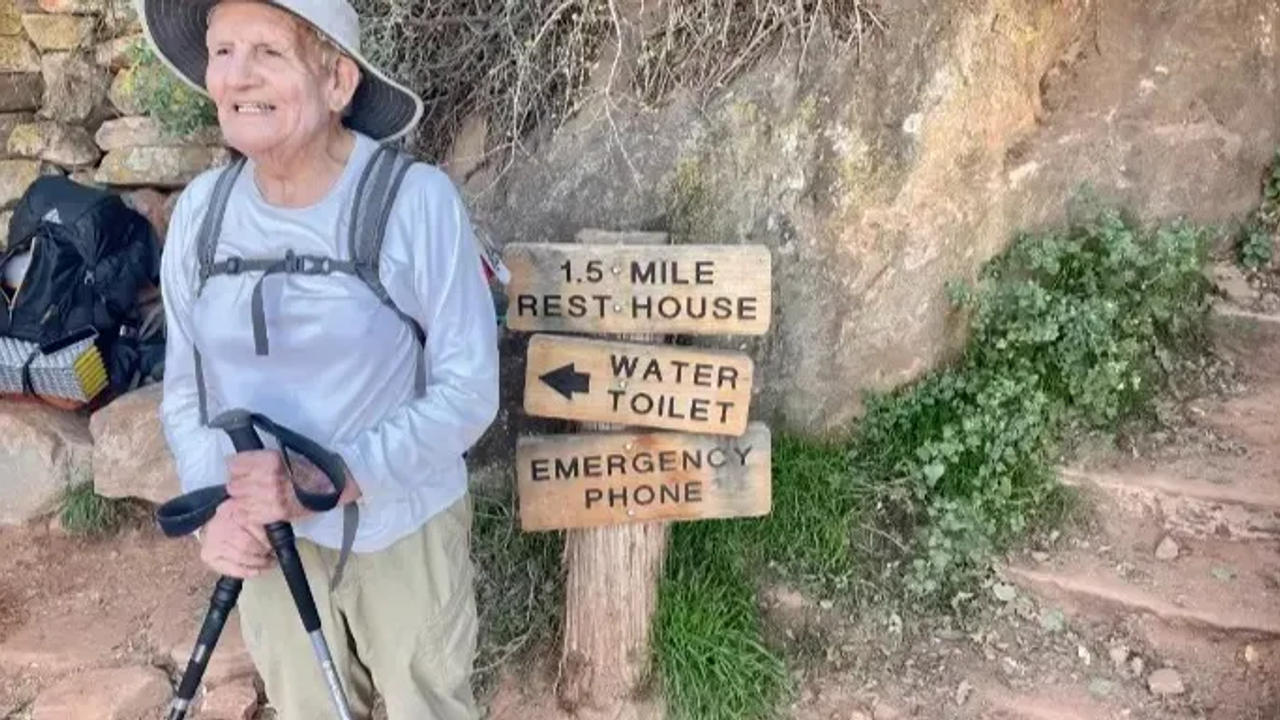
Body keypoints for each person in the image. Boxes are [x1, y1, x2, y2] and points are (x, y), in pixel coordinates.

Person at [143, 0, 500, 717]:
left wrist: (328, 480)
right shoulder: (202, 215)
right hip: (269, 544)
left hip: (402, 532)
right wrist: (221, 503)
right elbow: (187, 389)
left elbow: (468, 391)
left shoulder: (413, 203)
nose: (236, 76)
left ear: (337, 80)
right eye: (222, 51)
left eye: (268, 53)